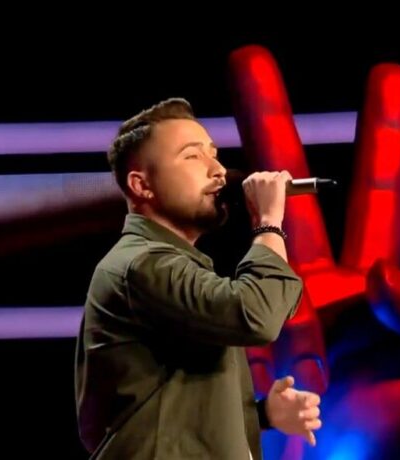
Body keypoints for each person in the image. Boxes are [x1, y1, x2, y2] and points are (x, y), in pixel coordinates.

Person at [74, 97, 322, 459]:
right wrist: (269, 222)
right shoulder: (143, 265)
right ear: (142, 185)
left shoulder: (170, 265)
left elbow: (172, 404)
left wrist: (261, 414)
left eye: (214, 154)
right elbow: (256, 315)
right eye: (192, 156)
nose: (218, 170)